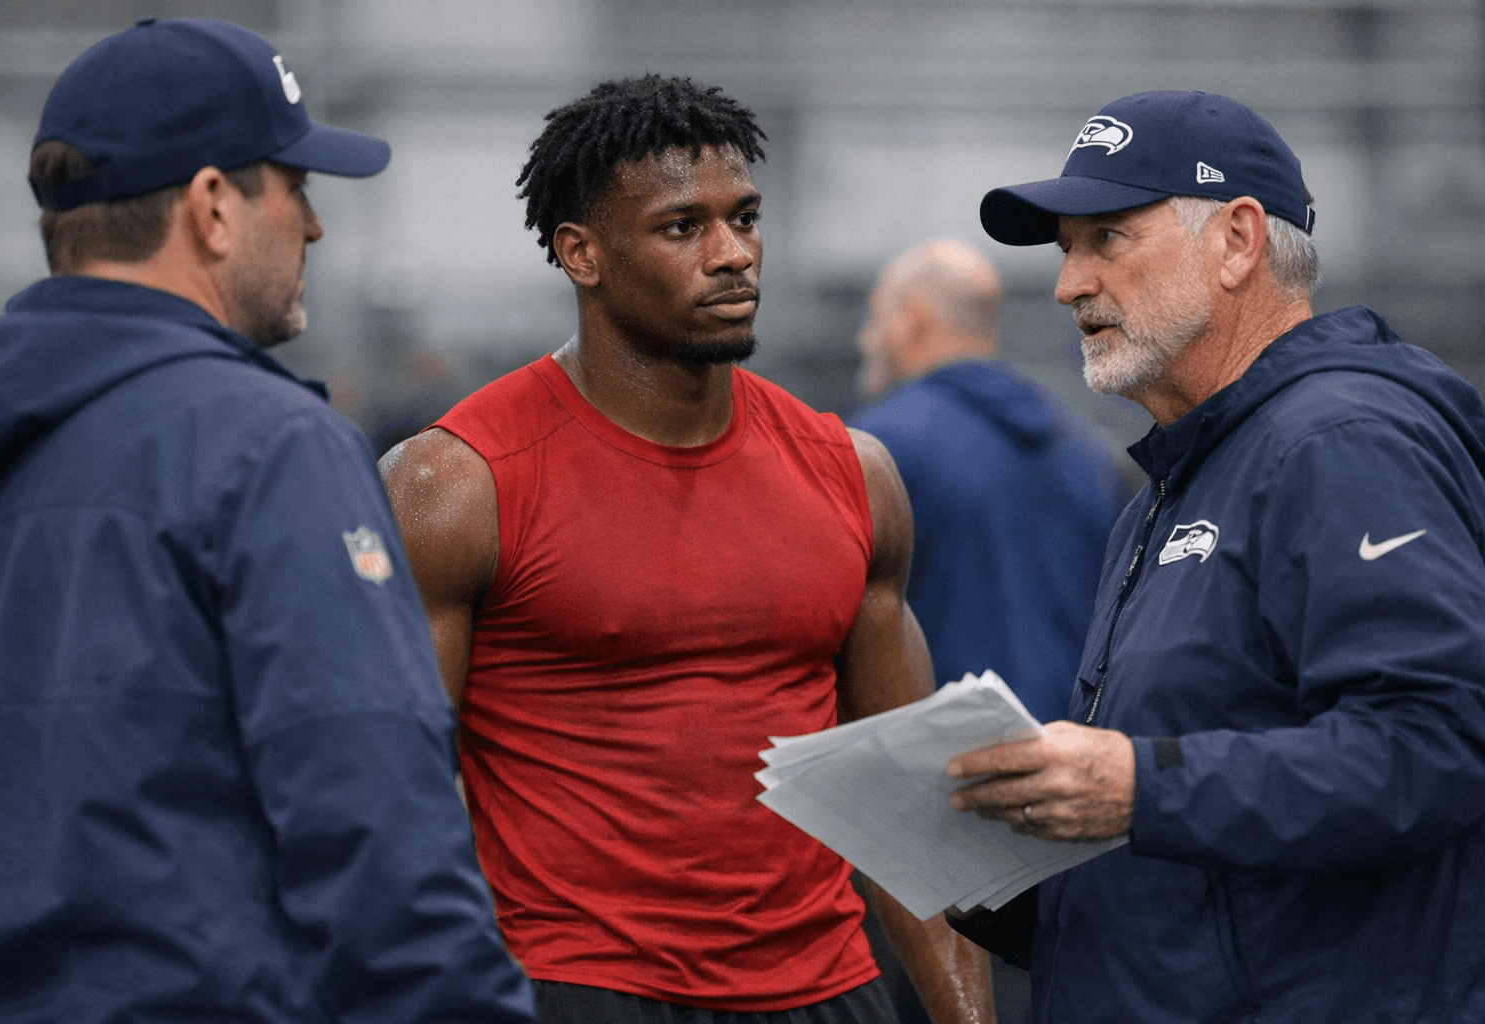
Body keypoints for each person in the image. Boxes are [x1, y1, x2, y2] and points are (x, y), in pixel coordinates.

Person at [0, 19, 533, 1023]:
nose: (314, 225)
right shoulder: (268, 445)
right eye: (295, 186)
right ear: (213, 206)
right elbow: (380, 835)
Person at [380, 75, 994, 1024]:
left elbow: (912, 805)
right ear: (581, 254)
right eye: (683, 228)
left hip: (827, 990)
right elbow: (396, 799)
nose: (735, 254)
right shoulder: (453, 487)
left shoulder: (853, 474)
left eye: (745, 218)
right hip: (580, 986)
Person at [942, 89, 1485, 1023]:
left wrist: (1136, 786)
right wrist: (997, 873)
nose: (1068, 283)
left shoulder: (1339, 441)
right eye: (1066, 248)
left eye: (1106, 238)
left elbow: (1435, 745)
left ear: (1237, 240)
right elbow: (1203, 866)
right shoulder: (1176, 479)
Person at [849, 238, 1127, 724]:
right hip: (1069, 756)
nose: (866, 339)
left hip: (946, 763)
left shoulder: (878, 448)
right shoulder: (1087, 453)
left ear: (914, 317)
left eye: (876, 318)